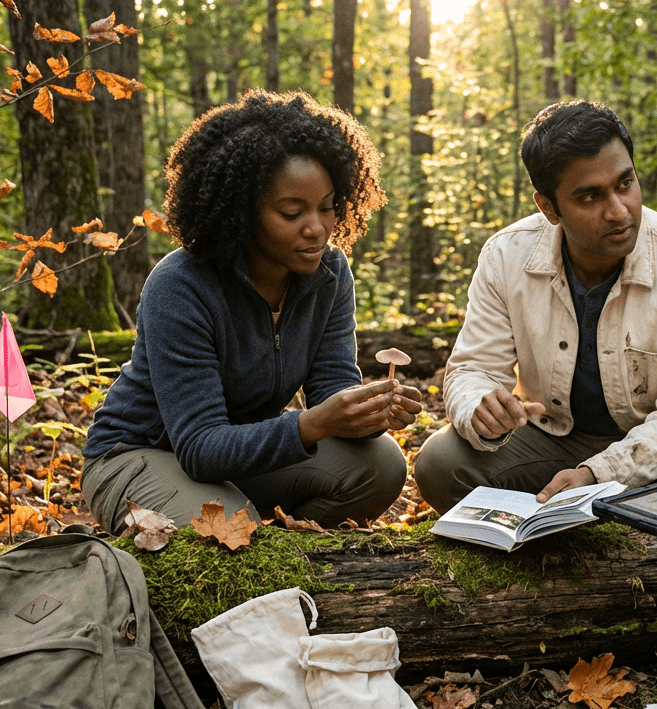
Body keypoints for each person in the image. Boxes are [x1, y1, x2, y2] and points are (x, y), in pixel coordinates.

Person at [81, 90, 422, 532]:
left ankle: (291, 556)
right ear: (242, 211)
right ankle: (255, 548)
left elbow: (331, 392)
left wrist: (369, 415)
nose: (317, 228)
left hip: (238, 453)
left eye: (327, 207)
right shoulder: (181, 284)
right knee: (227, 530)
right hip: (138, 455)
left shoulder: (330, 274)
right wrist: (310, 424)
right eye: (291, 211)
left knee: (379, 464)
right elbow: (201, 446)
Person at [413, 100, 657, 513]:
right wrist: (481, 410)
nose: (619, 212)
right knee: (441, 463)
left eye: (624, 183)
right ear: (548, 207)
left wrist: (595, 475)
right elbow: (472, 369)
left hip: (653, 445)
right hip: (548, 439)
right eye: (589, 197)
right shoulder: (506, 256)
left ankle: (608, 534)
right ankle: (551, 532)